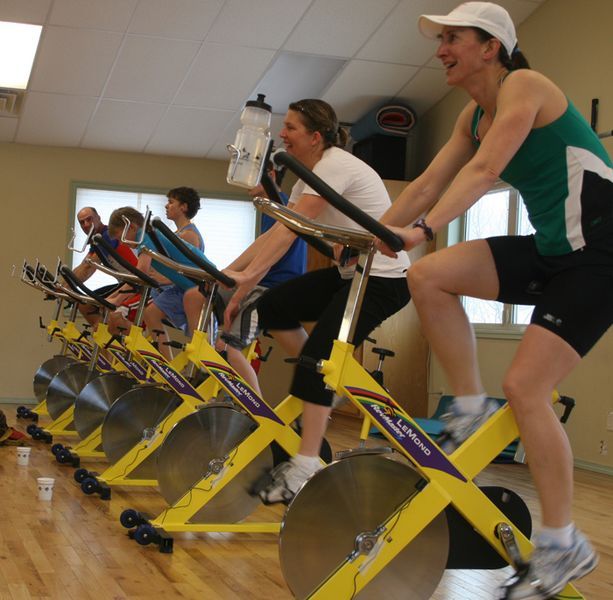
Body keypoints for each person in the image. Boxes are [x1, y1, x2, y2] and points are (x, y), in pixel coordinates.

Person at [377, 3, 608, 598]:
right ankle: (470, 405)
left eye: (453, 38)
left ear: (491, 47)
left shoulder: (526, 86)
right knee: (428, 278)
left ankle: (562, 545)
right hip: (555, 250)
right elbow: (428, 183)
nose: (441, 48)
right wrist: (367, 237)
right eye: (441, 38)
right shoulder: (471, 114)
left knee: (527, 386)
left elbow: (483, 172)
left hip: (602, 254)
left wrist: (421, 229)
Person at [220, 98, 411, 504]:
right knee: (272, 307)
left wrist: (247, 278)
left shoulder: (335, 164)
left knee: (315, 365)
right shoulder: (310, 177)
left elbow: (287, 233)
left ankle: (307, 464)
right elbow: (280, 230)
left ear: (315, 136)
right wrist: (235, 278)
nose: (282, 134)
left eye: (290, 127)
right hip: (352, 274)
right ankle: (323, 378)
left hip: (384, 281)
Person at [182, 163, 307, 395]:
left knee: (230, 347)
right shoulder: (269, 208)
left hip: (273, 287)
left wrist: (233, 283)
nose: (247, 181)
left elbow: (265, 258)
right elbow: (258, 250)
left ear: (270, 175)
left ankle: (256, 407)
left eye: (253, 175)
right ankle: (204, 357)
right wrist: (221, 273)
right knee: (194, 296)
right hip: (262, 282)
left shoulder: (279, 204)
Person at [141, 187, 204, 359]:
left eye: (171, 202)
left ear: (183, 207)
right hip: (174, 288)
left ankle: (166, 363)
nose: (166, 206)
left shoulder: (189, 235)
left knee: (151, 313)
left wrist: (162, 278)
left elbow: (191, 270)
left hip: (186, 290)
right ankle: (162, 361)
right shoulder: (177, 234)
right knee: (146, 315)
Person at [71, 206, 137, 326]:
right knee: (85, 305)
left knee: (103, 310)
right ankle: (103, 337)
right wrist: (62, 284)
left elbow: (89, 267)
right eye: (82, 222)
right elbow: (83, 265)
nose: (86, 224)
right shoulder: (96, 240)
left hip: (136, 285)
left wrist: (67, 287)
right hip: (125, 283)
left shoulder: (107, 236)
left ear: (99, 218)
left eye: (89, 219)